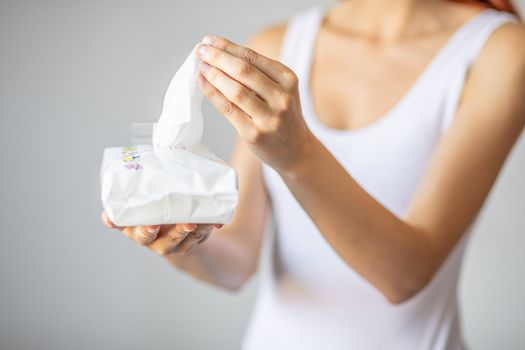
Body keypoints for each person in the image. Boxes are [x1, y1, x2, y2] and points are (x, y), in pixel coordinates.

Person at [101, 0, 525, 348]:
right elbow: (236, 262)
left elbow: (404, 275)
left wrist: (297, 153)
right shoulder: (280, 44)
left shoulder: (499, 50)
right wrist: (181, 236)